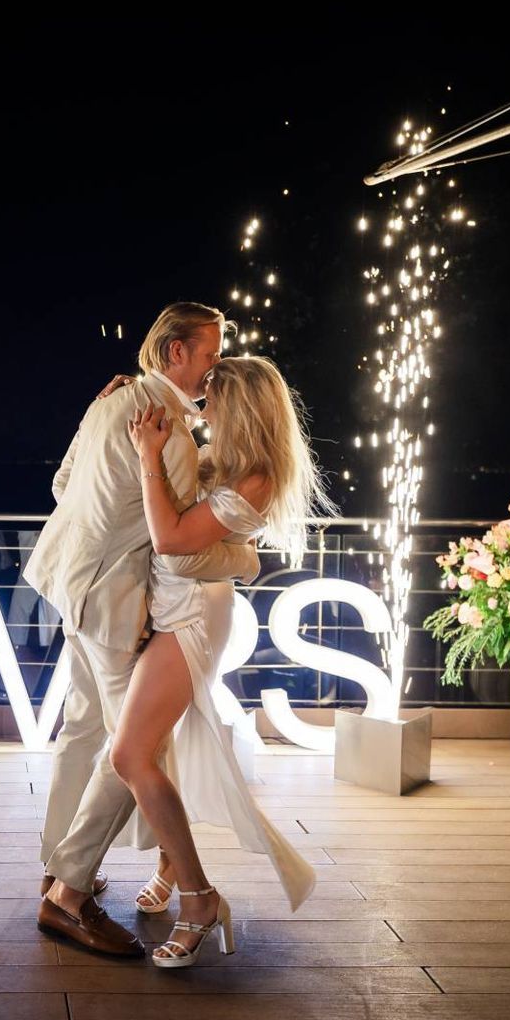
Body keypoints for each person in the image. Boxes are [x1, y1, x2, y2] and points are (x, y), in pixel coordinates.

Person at [26, 303, 260, 957]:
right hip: (110, 602)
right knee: (130, 754)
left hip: (64, 582)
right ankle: (66, 894)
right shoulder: (172, 436)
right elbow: (178, 545)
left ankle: (56, 865)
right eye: (211, 351)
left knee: (83, 733)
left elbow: (61, 482)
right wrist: (245, 556)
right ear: (175, 353)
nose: (216, 363)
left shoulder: (112, 403)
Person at [112, 354, 332, 968]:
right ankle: (168, 864)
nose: (201, 411)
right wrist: (126, 400)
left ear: (244, 412)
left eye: (213, 403)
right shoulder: (222, 463)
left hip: (195, 617)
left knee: (129, 753)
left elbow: (172, 539)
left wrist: (150, 457)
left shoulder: (257, 477)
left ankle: (199, 899)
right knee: (164, 748)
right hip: (178, 605)